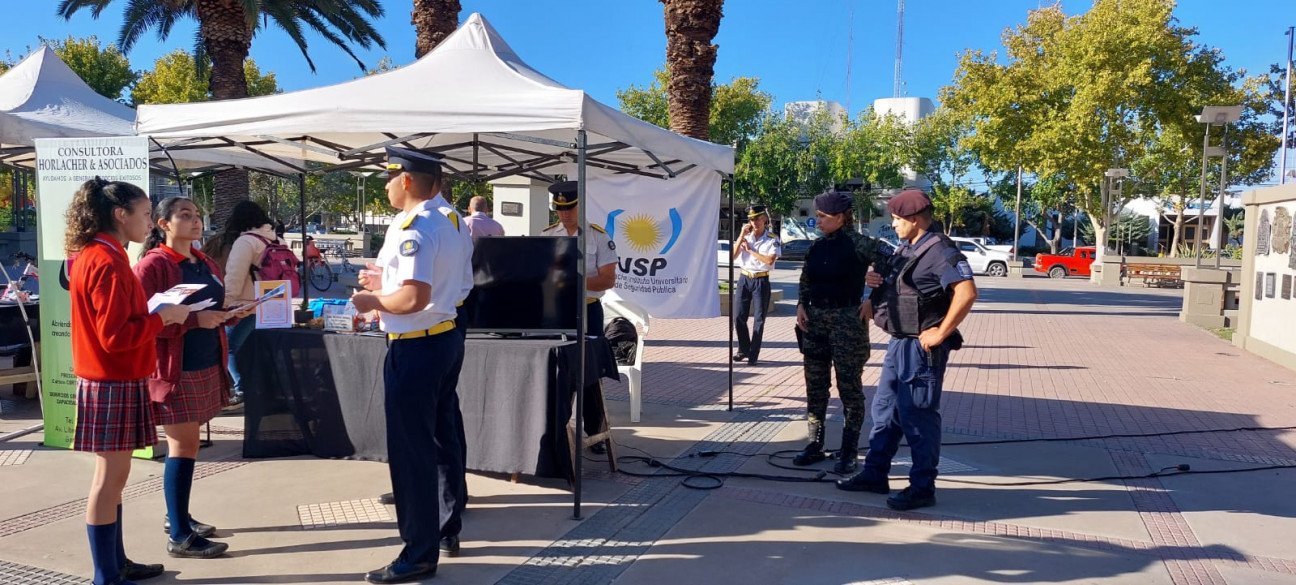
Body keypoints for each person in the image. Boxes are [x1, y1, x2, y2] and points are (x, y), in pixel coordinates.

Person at [352, 147, 469, 584]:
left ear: (406, 180)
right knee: (443, 439)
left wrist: (372, 300)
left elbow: (414, 297)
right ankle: (444, 528)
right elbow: (453, 287)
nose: (385, 186)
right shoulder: (451, 220)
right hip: (443, 338)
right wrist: (388, 286)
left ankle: (417, 553)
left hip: (415, 345)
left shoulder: (414, 227)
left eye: (388, 178)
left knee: (411, 451)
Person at [65, 178, 190, 585]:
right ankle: (106, 573)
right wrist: (162, 318)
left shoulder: (97, 253)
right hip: (111, 380)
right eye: (142, 213)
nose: (149, 221)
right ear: (120, 215)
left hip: (113, 378)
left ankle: (115, 563)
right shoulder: (106, 260)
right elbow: (114, 336)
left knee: (113, 480)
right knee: (109, 480)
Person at [837, 189, 978, 511]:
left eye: (898, 220)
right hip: (899, 342)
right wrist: (874, 284)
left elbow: (967, 292)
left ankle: (922, 487)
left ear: (914, 220)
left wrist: (942, 332)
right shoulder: (907, 247)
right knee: (885, 412)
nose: (894, 225)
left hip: (920, 349)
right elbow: (895, 285)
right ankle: (875, 474)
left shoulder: (940, 250)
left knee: (918, 417)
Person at [135, 197, 245, 560]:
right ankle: (181, 535)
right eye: (185, 216)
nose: (196, 222)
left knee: (188, 445)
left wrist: (228, 315)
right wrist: (195, 322)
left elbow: (210, 308)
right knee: (183, 446)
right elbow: (144, 323)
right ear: (163, 224)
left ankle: (177, 517)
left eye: (198, 216)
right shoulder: (154, 265)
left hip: (205, 363)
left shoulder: (203, 261)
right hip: (174, 368)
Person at [793, 191, 885, 475]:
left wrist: (874, 297)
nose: (817, 221)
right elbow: (806, 280)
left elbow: (892, 264)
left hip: (848, 322)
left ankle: (848, 451)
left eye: (822, 217)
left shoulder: (861, 244)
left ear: (840, 217)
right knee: (815, 386)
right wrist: (800, 304)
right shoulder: (816, 247)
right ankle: (814, 444)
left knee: (849, 389)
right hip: (815, 323)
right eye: (817, 216)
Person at [540, 181, 618, 452]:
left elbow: (608, 279)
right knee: (556, 371)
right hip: (557, 312)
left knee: (588, 373)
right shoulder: (548, 235)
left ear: (579, 205)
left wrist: (576, 280)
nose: (564, 215)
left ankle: (594, 432)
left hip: (587, 309)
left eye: (569, 209)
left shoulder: (597, 236)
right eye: (559, 209)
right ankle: (557, 431)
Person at [207, 201, 281, 406]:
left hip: (246, 305)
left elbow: (234, 277)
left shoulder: (245, 242)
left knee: (227, 346)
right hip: (272, 304)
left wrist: (225, 304)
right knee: (254, 349)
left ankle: (242, 391)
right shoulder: (275, 240)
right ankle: (263, 389)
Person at [731, 205, 781, 366]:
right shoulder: (746, 237)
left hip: (761, 280)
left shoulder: (772, 238)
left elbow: (769, 260)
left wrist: (751, 251)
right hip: (744, 278)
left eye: (757, 218)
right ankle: (743, 349)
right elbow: (733, 256)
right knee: (738, 317)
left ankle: (753, 354)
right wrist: (740, 236)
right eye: (751, 219)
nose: (754, 222)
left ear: (765, 219)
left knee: (759, 320)